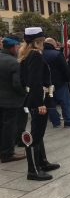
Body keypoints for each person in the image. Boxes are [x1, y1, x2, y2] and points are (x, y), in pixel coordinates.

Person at [19, 27, 60, 181]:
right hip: (39, 99)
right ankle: (33, 170)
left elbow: (24, 81)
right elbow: (34, 81)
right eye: (42, 40)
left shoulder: (27, 55)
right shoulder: (35, 55)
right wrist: (39, 103)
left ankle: (42, 162)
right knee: (35, 135)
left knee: (39, 132)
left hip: (35, 97)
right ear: (39, 41)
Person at [0, 35, 26, 163]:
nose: (18, 48)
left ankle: (2, 151)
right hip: (10, 102)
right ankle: (7, 154)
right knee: (9, 128)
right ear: (12, 47)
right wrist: (24, 93)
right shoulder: (13, 62)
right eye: (17, 46)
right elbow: (17, 84)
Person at [43, 38, 70, 128]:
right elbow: (64, 68)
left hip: (46, 84)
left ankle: (55, 122)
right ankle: (68, 120)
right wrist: (69, 78)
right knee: (66, 102)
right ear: (53, 44)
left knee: (50, 103)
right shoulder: (56, 54)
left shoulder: (39, 54)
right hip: (59, 82)